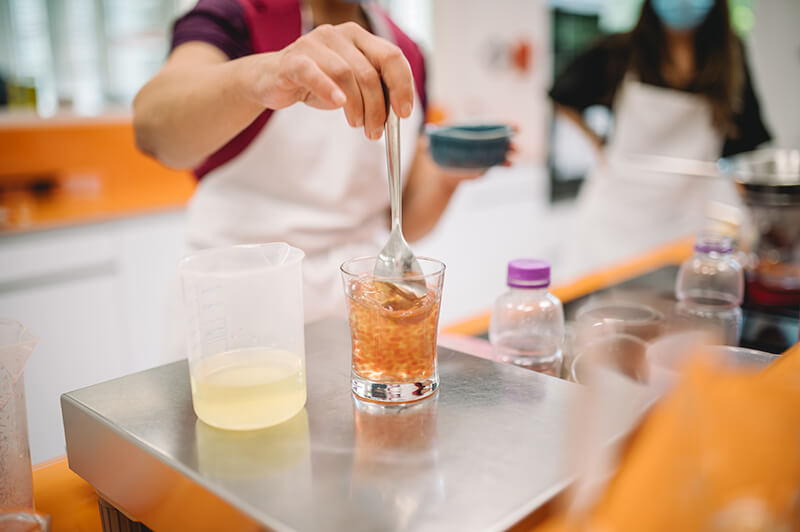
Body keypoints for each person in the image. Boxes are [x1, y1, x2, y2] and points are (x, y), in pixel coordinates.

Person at [134, 0, 493, 322]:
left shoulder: (405, 52)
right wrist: (270, 72)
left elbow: (400, 221)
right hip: (237, 312)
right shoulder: (236, 17)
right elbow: (153, 126)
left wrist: (447, 176)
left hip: (358, 307)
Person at [550, 0, 771, 277]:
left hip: (689, 212)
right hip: (616, 213)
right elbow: (560, 96)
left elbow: (747, 138)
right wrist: (597, 144)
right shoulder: (621, 50)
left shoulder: (729, 54)